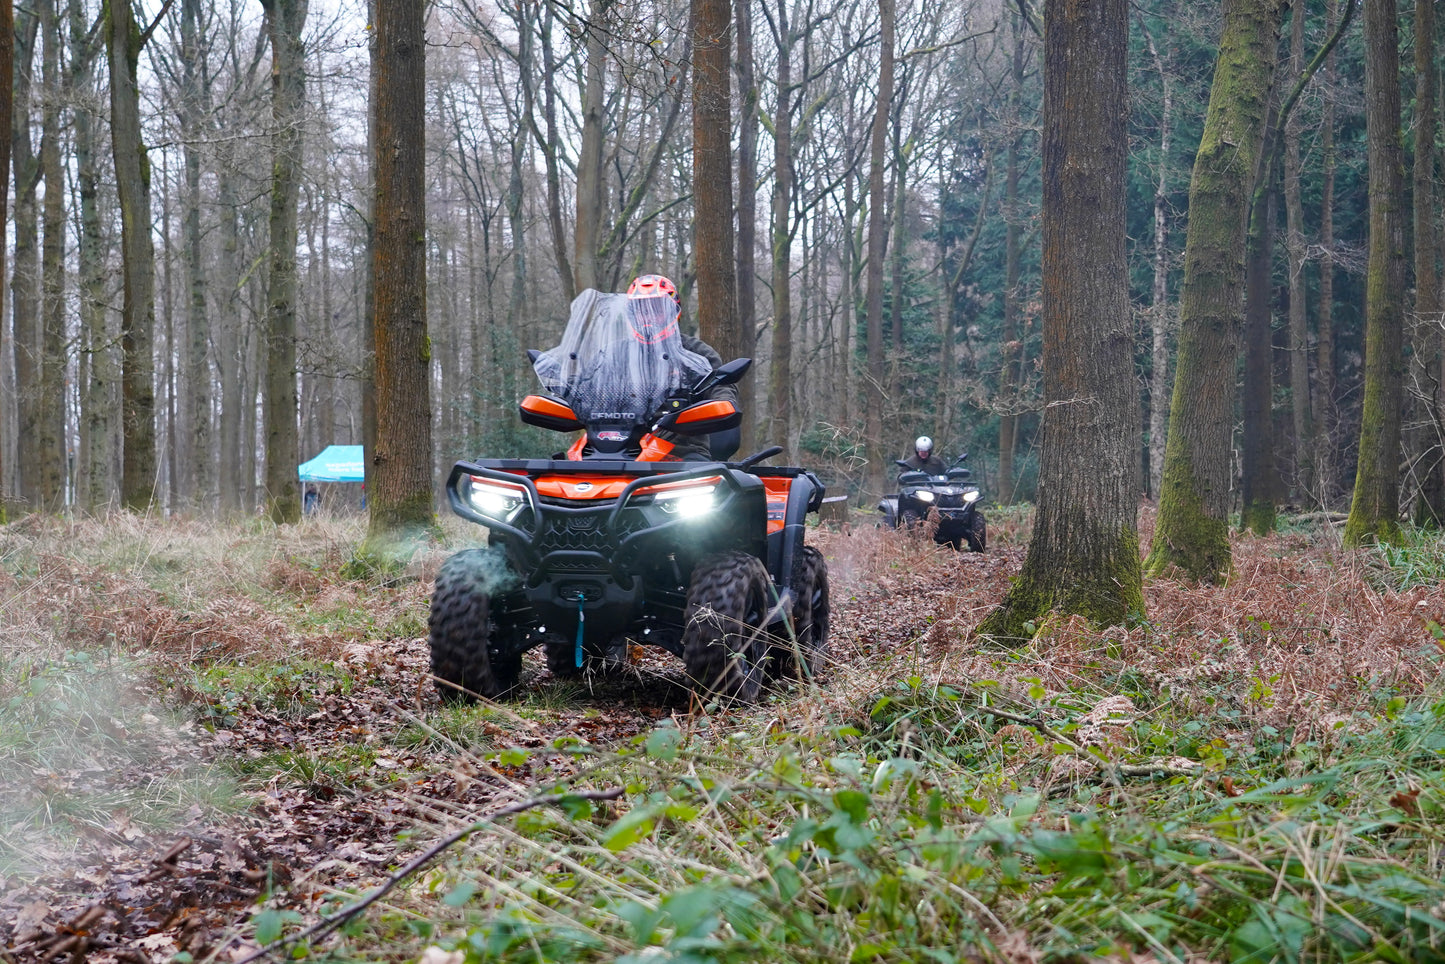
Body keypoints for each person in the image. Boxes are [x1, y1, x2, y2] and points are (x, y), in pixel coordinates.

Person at [626, 274, 739, 461]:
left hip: (681, 449)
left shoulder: (698, 354)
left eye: (657, 308)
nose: (649, 315)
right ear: (632, 313)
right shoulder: (616, 353)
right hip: (619, 446)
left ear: (673, 310)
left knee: (706, 480)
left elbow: (721, 387)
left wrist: (719, 405)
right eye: (642, 309)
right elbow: (585, 385)